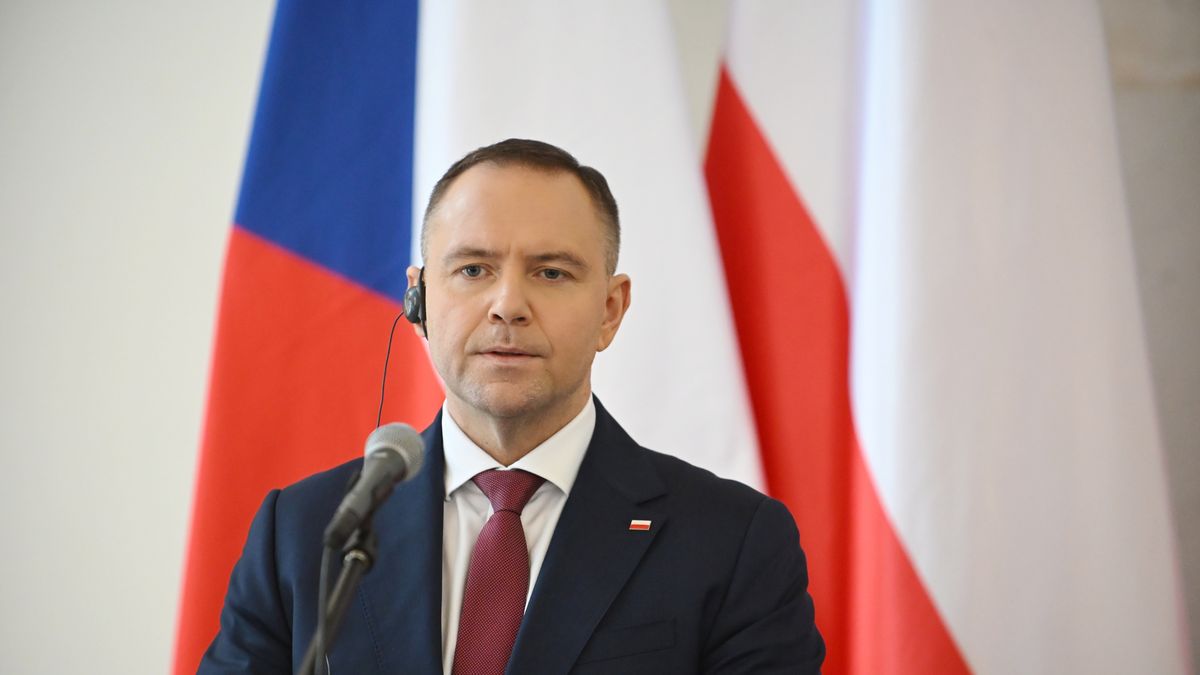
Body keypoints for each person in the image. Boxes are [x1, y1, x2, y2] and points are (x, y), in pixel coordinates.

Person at [199, 139, 825, 674]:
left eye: (551, 273)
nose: (508, 306)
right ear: (419, 300)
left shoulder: (732, 541)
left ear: (610, 311)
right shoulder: (304, 533)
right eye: (473, 270)